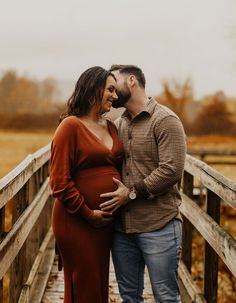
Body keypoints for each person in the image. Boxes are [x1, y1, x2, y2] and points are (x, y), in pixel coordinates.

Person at [100, 64, 186, 303]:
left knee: (166, 297)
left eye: (113, 84)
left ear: (131, 81)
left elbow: (171, 170)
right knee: (129, 298)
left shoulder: (166, 120)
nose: (112, 93)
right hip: (122, 229)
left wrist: (132, 193)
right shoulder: (119, 124)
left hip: (159, 226)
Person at [50, 66, 124, 303]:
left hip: (103, 223)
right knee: (84, 283)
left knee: (98, 281)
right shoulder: (70, 126)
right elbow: (59, 182)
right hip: (76, 219)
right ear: (93, 88)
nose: (115, 95)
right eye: (110, 89)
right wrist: (88, 213)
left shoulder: (111, 126)